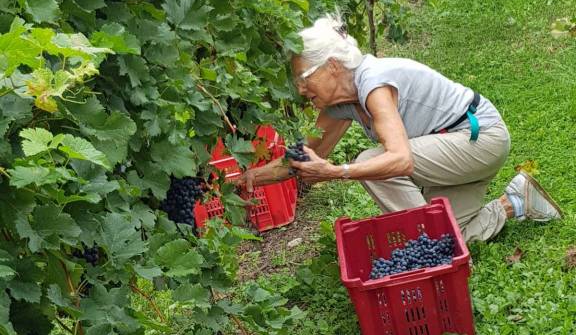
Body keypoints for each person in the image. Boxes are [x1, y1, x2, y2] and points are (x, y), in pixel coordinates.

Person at [241, 15, 562, 243]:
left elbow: (401, 161)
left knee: (374, 160)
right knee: (453, 238)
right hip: (453, 150)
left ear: (332, 65)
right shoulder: (340, 104)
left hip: (479, 139)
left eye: (304, 76)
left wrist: (337, 171)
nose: (299, 88)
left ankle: (430, 244)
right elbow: (304, 158)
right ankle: (515, 201)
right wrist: (251, 178)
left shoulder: (374, 82)